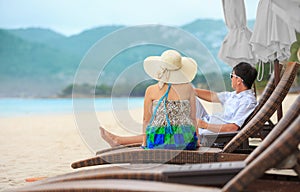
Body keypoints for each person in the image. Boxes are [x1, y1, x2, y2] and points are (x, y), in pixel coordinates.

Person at [100, 61, 257, 147]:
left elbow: (233, 128)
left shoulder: (247, 101)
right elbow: (213, 96)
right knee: (189, 98)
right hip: (209, 121)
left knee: (170, 132)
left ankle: (119, 141)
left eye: (232, 76)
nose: (230, 78)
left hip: (213, 131)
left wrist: (203, 125)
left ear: (239, 80)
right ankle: (169, 123)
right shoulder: (235, 95)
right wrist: (190, 91)